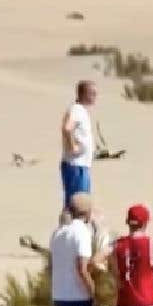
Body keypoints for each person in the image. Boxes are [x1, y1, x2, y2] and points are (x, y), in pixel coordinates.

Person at [59, 81, 106, 212]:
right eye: (92, 93)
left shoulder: (81, 111)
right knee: (78, 204)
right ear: (83, 94)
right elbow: (67, 128)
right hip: (76, 166)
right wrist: (73, 146)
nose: (95, 96)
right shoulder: (77, 110)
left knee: (80, 203)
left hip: (80, 165)